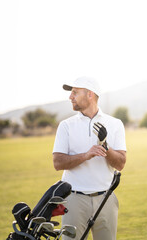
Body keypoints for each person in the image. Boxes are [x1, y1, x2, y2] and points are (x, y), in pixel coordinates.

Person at [52, 76, 126, 240]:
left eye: (75, 92)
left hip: (106, 199)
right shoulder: (66, 125)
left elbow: (120, 164)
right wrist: (86, 155)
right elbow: (58, 163)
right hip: (73, 200)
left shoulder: (115, 124)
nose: (70, 97)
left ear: (90, 94)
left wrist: (105, 146)